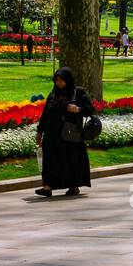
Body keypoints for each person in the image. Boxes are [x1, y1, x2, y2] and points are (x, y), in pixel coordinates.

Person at [34, 67, 94, 198]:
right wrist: (39, 132)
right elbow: (45, 114)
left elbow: (90, 109)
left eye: (62, 80)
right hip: (52, 133)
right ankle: (47, 187)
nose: (59, 83)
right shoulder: (53, 94)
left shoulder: (78, 93)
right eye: (57, 80)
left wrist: (78, 109)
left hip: (69, 134)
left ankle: (73, 186)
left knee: (70, 160)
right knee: (49, 160)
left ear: (68, 80)